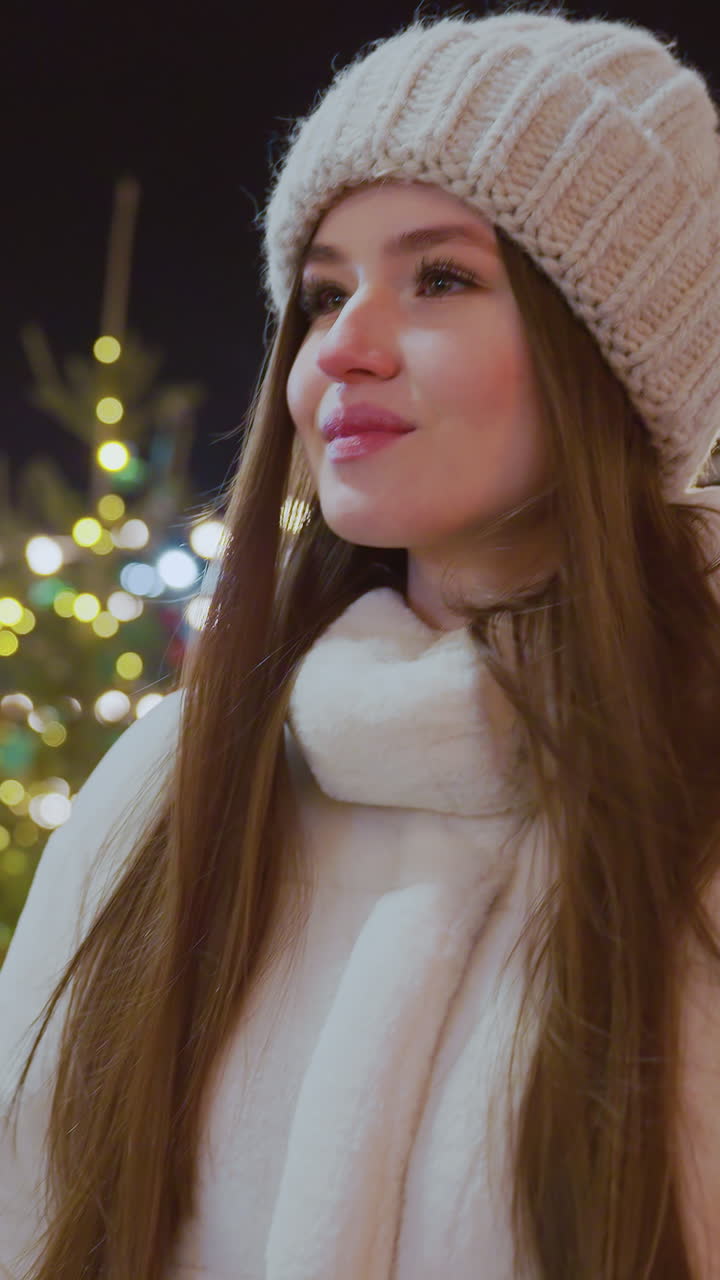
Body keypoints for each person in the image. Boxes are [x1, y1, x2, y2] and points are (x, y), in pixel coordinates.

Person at [3, 5, 720, 1277]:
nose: (344, 345)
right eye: (325, 290)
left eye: (439, 277)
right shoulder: (173, 785)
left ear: (620, 354)